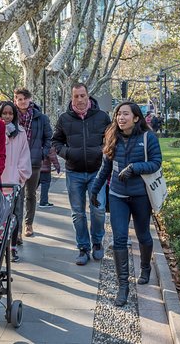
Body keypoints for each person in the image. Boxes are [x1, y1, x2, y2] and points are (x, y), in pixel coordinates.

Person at [89, 102, 161, 306]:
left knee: (143, 236)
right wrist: (95, 190)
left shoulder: (148, 138)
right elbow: (105, 168)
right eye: (118, 114)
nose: (121, 118)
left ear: (136, 118)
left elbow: (156, 162)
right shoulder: (112, 137)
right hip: (117, 195)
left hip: (141, 196)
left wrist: (134, 168)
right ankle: (123, 287)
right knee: (119, 239)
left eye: (125, 114)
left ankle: (145, 267)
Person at [52, 82, 111, 265]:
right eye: (76, 96)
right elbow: (56, 141)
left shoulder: (102, 117)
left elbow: (111, 140)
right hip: (74, 173)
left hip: (97, 173)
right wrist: (68, 153)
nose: (79, 100)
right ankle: (83, 248)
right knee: (78, 213)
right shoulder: (64, 119)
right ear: (72, 98)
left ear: (88, 96)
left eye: (82, 95)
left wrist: (102, 151)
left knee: (98, 210)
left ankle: (97, 243)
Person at [13, 88, 52, 238]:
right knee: (18, 195)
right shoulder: (12, 116)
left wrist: (43, 152)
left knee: (30, 195)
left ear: (30, 99)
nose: (22, 102)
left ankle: (28, 224)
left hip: (34, 162)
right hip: (15, 163)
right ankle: (17, 228)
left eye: (25, 99)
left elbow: (49, 137)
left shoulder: (41, 118)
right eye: (19, 99)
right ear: (15, 100)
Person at [0, 101, 32, 262]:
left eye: (10, 113)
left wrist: (19, 176)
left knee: (14, 215)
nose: (7, 116)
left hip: (14, 182)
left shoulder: (21, 133)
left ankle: (12, 246)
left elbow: (25, 156)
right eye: (4, 113)